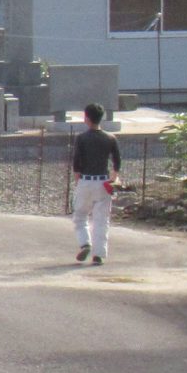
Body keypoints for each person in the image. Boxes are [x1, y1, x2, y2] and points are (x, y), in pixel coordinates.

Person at [69, 103, 122, 265]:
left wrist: (78, 180)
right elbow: (117, 161)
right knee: (101, 219)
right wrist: (113, 178)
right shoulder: (110, 138)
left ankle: (85, 243)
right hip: (103, 182)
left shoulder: (82, 138)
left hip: (86, 180)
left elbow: (77, 162)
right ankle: (98, 254)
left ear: (87, 118)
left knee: (80, 216)